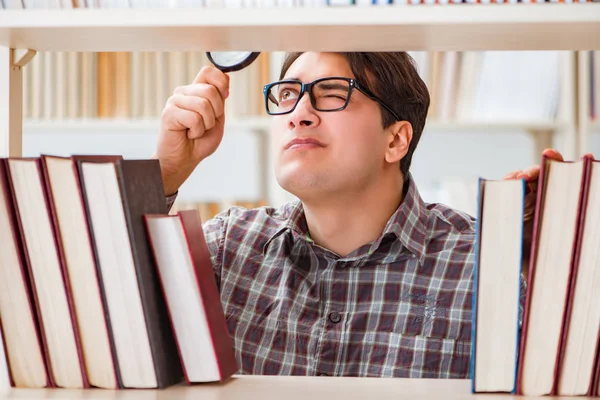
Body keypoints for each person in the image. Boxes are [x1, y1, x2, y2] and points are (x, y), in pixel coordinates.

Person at [153, 52, 564, 379]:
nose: (298, 112)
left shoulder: (489, 263)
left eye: (332, 93)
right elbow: (103, 318)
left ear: (396, 139)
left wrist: (556, 264)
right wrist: (165, 174)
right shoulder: (227, 248)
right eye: (286, 94)